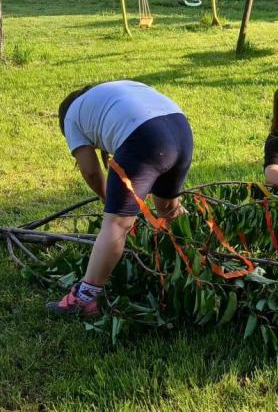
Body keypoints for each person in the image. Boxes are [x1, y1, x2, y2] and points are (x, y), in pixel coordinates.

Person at [47, 80, 194, 318]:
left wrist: (109, 201)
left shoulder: (71, 116)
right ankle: (198, 260)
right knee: (169, 209)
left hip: (144, 138)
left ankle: (84, 299)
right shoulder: (112, 92)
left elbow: (91, 171)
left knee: (117, 224)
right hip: (181, 130)